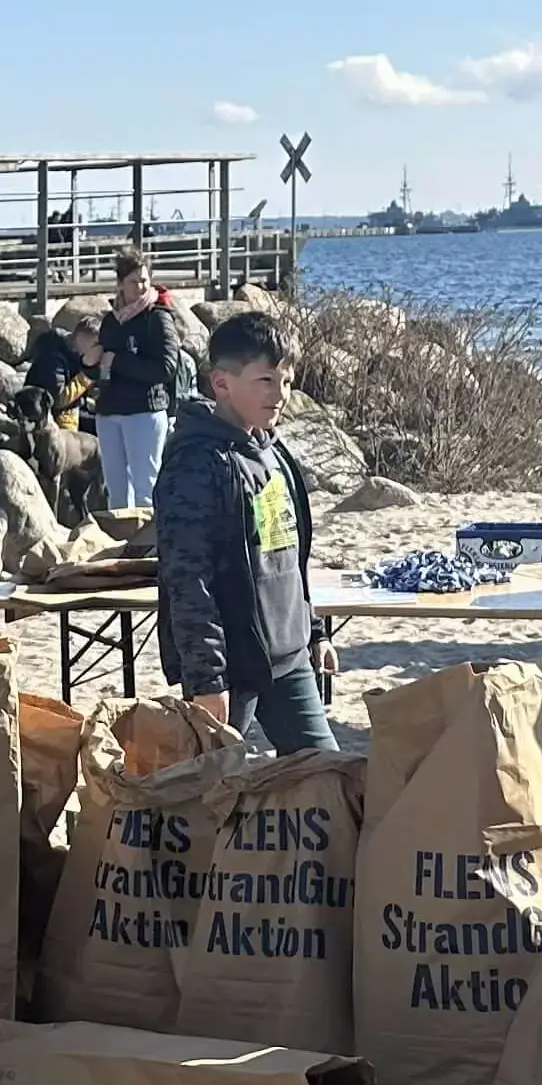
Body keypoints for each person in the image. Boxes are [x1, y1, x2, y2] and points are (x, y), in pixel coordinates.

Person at [154, 311, 335, 755]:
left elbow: (288, 558)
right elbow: (187, 579)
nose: (281, 395)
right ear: (222, 383)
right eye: (266, 381)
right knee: (208, 797)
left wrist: (314, 633)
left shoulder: (274, 454)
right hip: (231, 668)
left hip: (289, 658)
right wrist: (206, 680)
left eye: (287, 381)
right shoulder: (197, 462)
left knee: (333, 778)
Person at [92, 246, 189, 514]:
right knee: (116, 493)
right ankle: (121, 548)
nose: (141, 286)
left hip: (145, 411)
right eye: (134, 281)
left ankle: (150, 548)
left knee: (146, 489)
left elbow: (166, 367)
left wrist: (119, 361)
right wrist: (90, 364)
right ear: (121, 284)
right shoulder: (111, 320)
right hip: (110, 411)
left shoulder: (157, 317)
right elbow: (102, 364)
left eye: (144, 280)